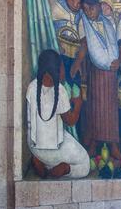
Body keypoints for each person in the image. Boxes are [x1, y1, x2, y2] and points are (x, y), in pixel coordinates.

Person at [71, 0, 121, 160]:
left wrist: (117, 61)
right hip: (95, 70)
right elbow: (86, 45)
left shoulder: (107, 22)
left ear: (99, 6)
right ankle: (93, 143)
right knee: (96, 108)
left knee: (110, 109)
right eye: (85, 9)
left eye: (91, 8)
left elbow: (115, 43)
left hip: (111, 73)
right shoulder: (83, 22)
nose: (88, 12)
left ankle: (113, 144)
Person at [26, 50, 89, 179]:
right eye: (61, 67)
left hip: (33, 145)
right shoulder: (60, 90)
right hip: (53, 147)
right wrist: (78, 105)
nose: (63, 71)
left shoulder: (32, 87)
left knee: (55, 137)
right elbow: (70, 121)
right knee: (85, 163)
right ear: (55, 69)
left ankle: (40, 162)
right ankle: (65, 168)